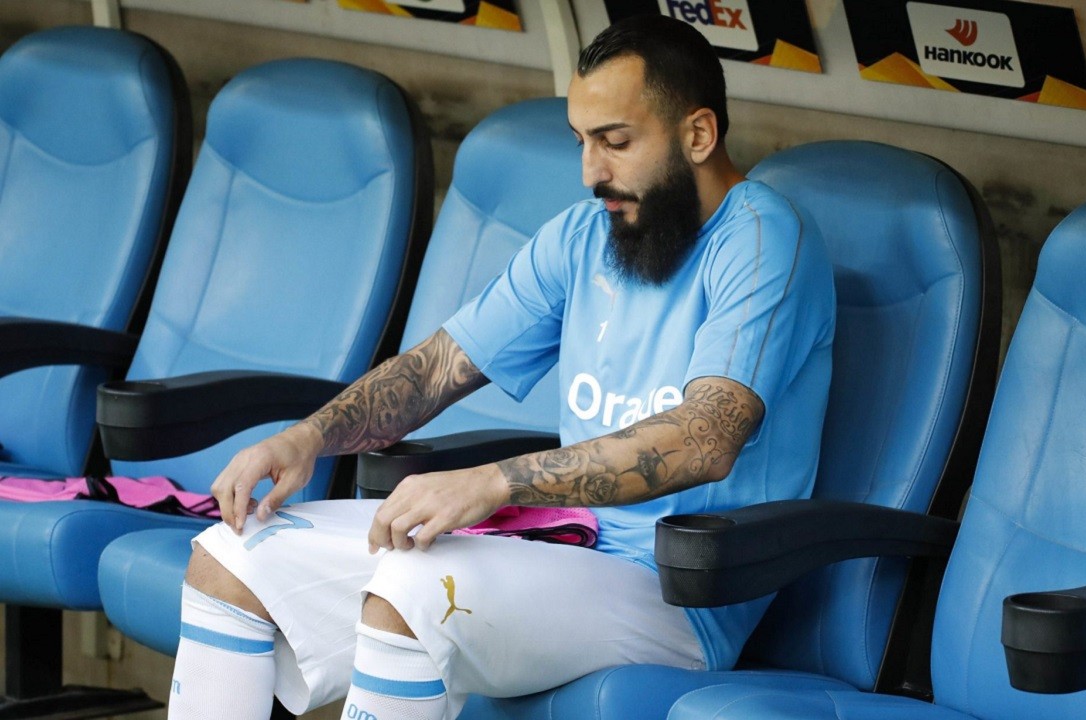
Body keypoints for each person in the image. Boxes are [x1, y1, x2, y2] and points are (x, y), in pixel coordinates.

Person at [168, 14, 835, 720]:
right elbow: (436, 369)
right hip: (561, 542)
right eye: (582, 142)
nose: (591, 173)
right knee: (234, 555)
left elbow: (705, 438)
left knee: (415, 594)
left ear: (698, 135)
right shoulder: (584, 235)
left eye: (616, 142)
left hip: (681, 592)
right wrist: (306, 437)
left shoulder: (761, 238)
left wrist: (494, 481)